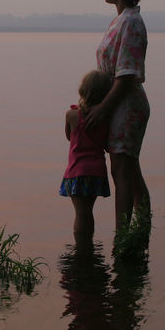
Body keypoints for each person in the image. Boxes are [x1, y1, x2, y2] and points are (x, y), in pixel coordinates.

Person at [85, 0, 151, 231]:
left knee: (122, 172)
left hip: (126, 105)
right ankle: (140, 232)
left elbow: (125, 76)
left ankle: (123, 238)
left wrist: (102, 108)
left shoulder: (132, 22)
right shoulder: (121, 20)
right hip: (117, 104)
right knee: (129, 172)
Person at [61, 69, 114, 239]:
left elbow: (70, 137)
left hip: (77, 171)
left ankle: (82, 250)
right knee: (88, 212)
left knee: (80, 213)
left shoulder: (71, 115)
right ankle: (88, 247)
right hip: (97, 171)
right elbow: (107, 145)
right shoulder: (105, 118)